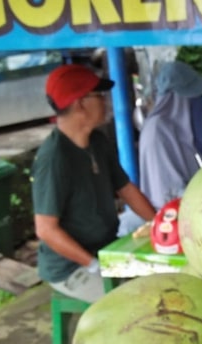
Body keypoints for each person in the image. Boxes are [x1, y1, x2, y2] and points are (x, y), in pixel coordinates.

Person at [32, 63, 156, 302]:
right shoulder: (54, 158)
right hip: (72, 267)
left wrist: (159, 224)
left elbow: (126, 189)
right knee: (137, 304)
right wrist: (92, 265)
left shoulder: (97, 141)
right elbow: (46, 229)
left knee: (162, 281)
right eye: (99, 95)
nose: (105, 101)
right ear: (80, 103)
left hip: (106, 249)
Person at [117, 60, 202, 236]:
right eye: (192, 98)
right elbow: (167, 194)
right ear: (178, 100)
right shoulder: (158, 130)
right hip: (166, 224)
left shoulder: (178, 130)